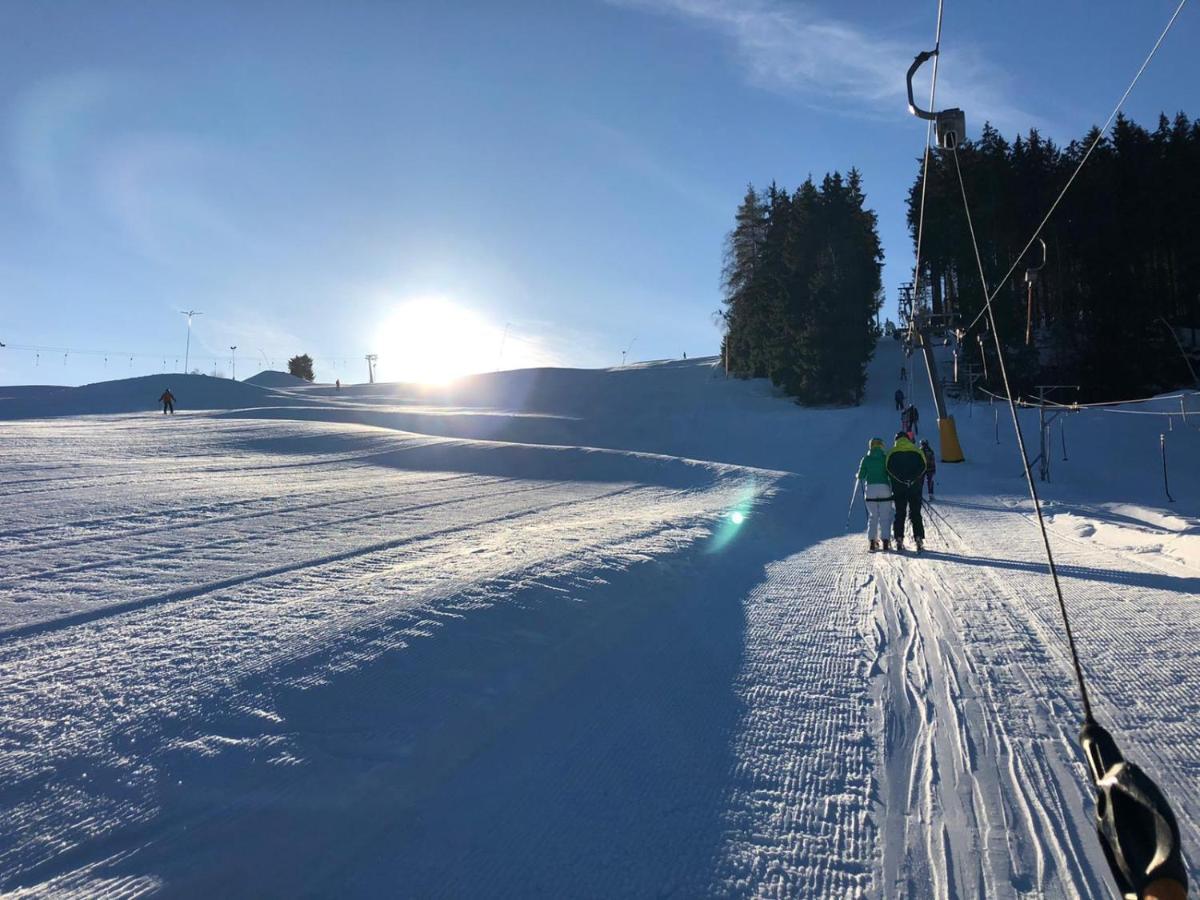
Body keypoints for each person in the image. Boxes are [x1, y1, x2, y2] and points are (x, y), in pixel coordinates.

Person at [887, 431, 927, 551]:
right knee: (916, 513)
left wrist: (901, 480)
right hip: (914, 488)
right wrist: (913, 480)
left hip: (899, 489)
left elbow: (888, 469)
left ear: (896, 440)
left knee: (900, 513)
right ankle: (918, 539)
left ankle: (899, 539)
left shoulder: (892, 453)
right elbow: (923, 467)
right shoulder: (917, 451)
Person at [856, 437, 894, 552]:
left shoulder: (866, 459)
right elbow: (890, 473)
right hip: (884, 489)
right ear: (881, 446)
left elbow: (861, 475)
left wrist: (858, 475)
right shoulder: (885, 458)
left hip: (871, 490)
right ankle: (886, 542)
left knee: (873, 516)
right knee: (885, 516)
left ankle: (872, 542)